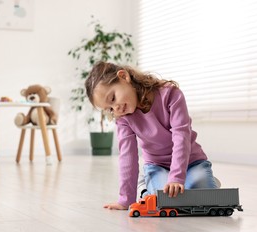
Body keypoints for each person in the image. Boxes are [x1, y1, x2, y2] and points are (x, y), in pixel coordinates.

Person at [84, 61, 219, 210]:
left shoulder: (170, 94)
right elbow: (127, 156)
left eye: (113, 98)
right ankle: (147, 184)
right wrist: (125, 200)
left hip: (191, 162)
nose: (115, 108)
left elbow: (181, 136)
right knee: (164, 201)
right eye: (109, 108)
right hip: (157, 166)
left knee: (208, 199)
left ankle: (200, 180)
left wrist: (176, 177)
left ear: (124, 77)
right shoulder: (123, 118)